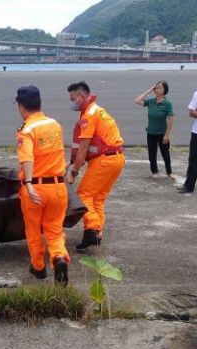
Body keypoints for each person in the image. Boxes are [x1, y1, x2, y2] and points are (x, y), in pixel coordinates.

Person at [14, 85, 70, 285]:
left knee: (34, 231)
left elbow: (27, 157)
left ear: (21, 106)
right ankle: (59, 258)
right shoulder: (54, 124)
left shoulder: (27, 130)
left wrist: (29, 183)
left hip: (36, 189)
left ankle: (38, 267)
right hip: (58, 187)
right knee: (54, 230)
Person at [66, 81, 125, 250]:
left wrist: (73, 172)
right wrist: (70, 163)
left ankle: (91, 229)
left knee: (83, 195)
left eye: (72, 99)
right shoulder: (97, 110)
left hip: (104, 161)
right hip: (117, 159)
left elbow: (84, 147)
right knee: (98, 198)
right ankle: (96, 233)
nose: (71, 103)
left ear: (81, 96)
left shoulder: (89, 115)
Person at [135, 81, 175, 179]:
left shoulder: (167, 104)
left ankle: (169, 173)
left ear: (165, 90)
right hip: (151, 132)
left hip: (162, 133)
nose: (157, 90)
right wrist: (149, 90)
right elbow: (137, 100)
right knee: (152, 154)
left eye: (160, 88)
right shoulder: (151, 102)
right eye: (156, 88)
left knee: (165, 154)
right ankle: (154, 172)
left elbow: (171, 119)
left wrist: (167, 135)